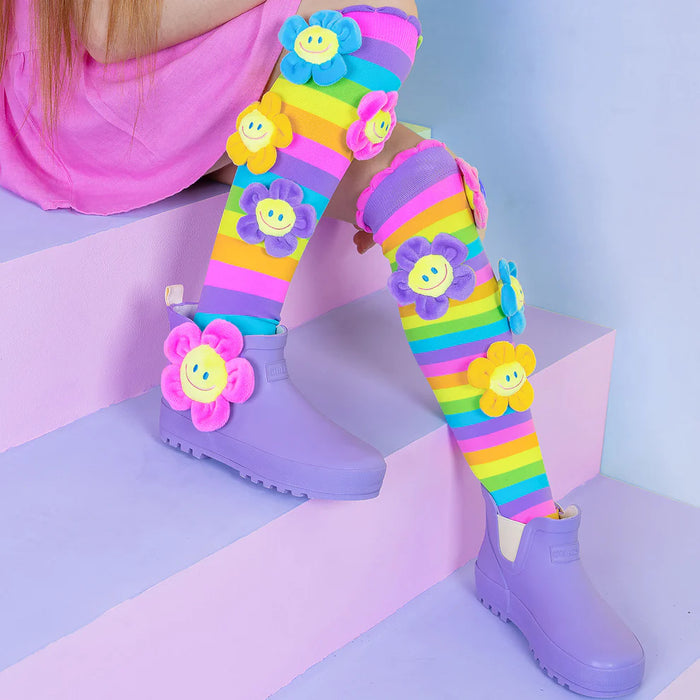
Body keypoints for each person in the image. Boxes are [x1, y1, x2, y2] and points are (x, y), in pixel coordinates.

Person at [0, 1, 645, 696]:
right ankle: (229, 351)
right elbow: (102, 30)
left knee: (421, 183)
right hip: (87, 108)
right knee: (372, 9)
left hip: (192, 95)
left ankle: (526, 530)